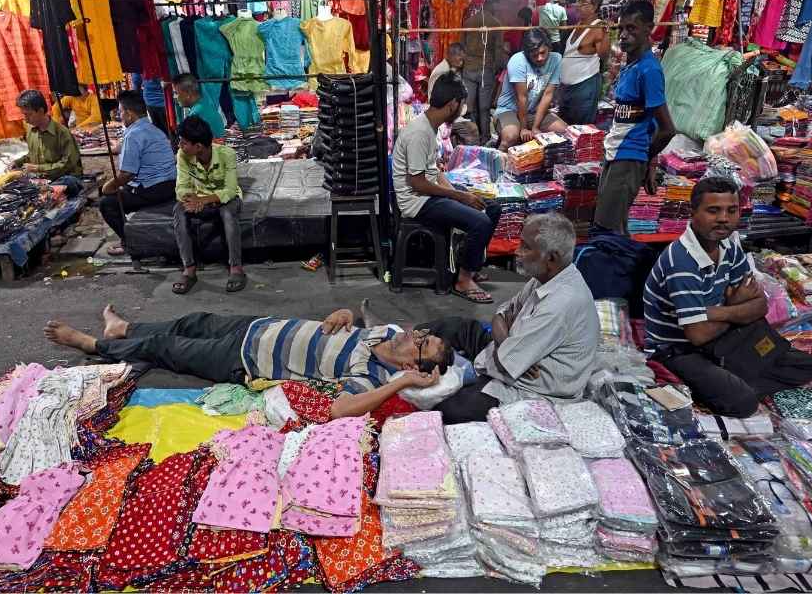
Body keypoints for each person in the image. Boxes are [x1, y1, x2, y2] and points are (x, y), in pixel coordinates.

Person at [43, 305, 454, 420]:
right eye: (422, 332)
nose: (414, 335)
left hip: (245, 359)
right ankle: (123, 328)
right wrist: (345, 313)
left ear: (413, 367)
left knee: (166, 347)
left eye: (422, 344)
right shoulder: (385, 332)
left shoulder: (372, 378)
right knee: (192, 321)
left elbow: (339, 409)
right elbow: (356, 318)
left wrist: (402, 385)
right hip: (259, 326)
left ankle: (94, 344)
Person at [644, 177, 812, 418]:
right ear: (693, 212)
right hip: (678, 349)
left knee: (807, 366)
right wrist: (735, 306)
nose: (724, 218)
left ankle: (740, 376)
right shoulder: (682, 261)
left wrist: (718, 311)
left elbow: (760, 305)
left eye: (731, 210)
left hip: (720, 336)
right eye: (713, 210)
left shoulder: (729, 245)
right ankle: (740, 379)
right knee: (743, 402)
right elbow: (697, 334)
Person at [434, 212, 599, 424]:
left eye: (526, 247)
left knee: (449, 410)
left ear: (551, 258)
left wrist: (506, 341)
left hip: (530, 389)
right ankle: (402, 345)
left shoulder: (560, 303)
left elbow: (505, 362)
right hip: (509, 356)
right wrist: (506, 340)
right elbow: (501, 313)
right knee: (454, 326)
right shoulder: (545, 278)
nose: (517, 251)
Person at [392, 72, 501, 304]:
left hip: (428, 192)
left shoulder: (430, 126)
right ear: (453, 104)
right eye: (461, 105)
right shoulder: (419, 133)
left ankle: (468, 266)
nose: (461, 110)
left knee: (492, 208)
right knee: (480, 222)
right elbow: (417, 182)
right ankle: (463, 280)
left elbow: (434, 171)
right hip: (417, 201)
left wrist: (457, 194)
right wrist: (458, 196)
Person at [594, 0, 676, 235]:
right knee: (610, 223)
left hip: (629, 157)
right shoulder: (631, 65)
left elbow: (667, 129)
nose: (623, 35)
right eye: (621, 28)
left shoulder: (649, 70)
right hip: (617, 152)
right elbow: (647, 119)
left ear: (648, 28)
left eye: (631, 28)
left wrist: (644, 158)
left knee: (610, 229)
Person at [172, 115, 246, 295]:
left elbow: (230, 190)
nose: (180, 146)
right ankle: (189, 269)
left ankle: (236, 268)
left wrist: (203, 200)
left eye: (183, 143)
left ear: (198, 146)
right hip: (199, 198)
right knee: (179, 211)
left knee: (228, 213)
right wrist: (190, 198)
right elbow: (181, 186)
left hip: (224, 200)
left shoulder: (227, 154)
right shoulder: (183, 155)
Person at [100, 90, 177, 256]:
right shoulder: (154, 129)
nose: (120, 116)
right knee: (123, 190)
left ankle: (130, 243)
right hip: (169, 185)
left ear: (129, 113)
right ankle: (134, 236)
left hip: (154, 190)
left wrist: (108, 187)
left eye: (121, 112)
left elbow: (127, 174)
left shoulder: (134, 134)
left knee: (107, 203)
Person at [495, 28, 568, 152]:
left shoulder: (556, 59)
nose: (540, 58)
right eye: (534, 55)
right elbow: (522, 97)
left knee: (564, 131)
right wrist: (524, 128)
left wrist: (535, 127)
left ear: (549, 48)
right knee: (510, 137)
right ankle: (497, 158)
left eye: (543, 52)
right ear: (527, 53)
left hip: (533, 112)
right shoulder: (517, 61)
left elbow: (548, 95)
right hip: (509, 110)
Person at [11, 89, 84, 197]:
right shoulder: (31, 131)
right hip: (44, 179)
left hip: (64, 177)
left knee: (68, 181)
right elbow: (32, 154)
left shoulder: (62, 132)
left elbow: (68, 164)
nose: (26, 119)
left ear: (41, 111)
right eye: (24, 115)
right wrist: (17, 162)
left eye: (29, 115)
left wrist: (38, 168)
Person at [462, 0, 508, 144]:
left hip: (469, 68)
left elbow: (462, 46)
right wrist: (497, 68)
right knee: (484, 107)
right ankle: (485, 137)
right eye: (496, 4)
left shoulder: (469, 22)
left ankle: (473, 137)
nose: (497, 8)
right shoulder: (496, 24)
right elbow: (498, 50)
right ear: (490, 4)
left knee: (470, 106)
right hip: (485, 69)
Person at [559, 0, 608, 125]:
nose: (578, 6)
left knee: (581, 130)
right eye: (579, 2)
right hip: (567, 89)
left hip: (584, 87)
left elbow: (604, 56)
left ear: (594, 7)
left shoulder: (598, 28)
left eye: (583, 3)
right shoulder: (579, 24)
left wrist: (605, 34)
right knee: (565, 129)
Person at [427, 43, 480, 147]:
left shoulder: (451, 70)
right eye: (459, 59)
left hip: (450, 110)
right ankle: (469, 155)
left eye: (462, 60)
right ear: (450, 56)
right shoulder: (442, 72)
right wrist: (461, 110)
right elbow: (439, 100)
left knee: (471, 118)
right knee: (472, 129)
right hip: (442, 113)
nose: (462, 62)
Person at [173, 73, 224, 139]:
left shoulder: (195, 114)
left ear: (188, 93)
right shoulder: (204, 104)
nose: (174, 97)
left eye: (176, 93)